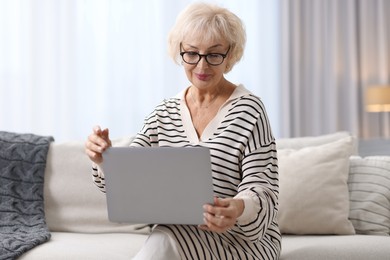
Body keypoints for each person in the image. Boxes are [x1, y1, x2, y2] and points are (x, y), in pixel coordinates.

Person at [85, 2, 281, 259]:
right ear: (180, 52)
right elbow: (128, 181)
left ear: (229, 54)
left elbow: (263, 188)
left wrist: (238, 208)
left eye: (214, 54)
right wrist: (102, 160)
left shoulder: (249, 109)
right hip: (180, 233)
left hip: (239, 242)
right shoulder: (163, 113)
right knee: (166, 235)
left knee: (164, 239)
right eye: (192, 53)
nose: (202, 66)